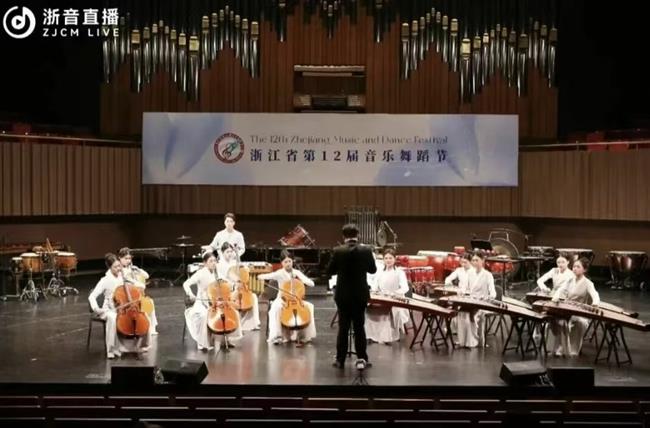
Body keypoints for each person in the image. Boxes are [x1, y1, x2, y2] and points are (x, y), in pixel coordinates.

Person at [327, 224, 377, 369]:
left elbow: (330, 271)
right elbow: (373, 270)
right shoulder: (366, 250)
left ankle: (340, 360)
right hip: (360, 295)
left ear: (343, 236)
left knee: (343, 328)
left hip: (343, 296)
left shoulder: (338, 251)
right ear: (358, 235)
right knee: (359, 327)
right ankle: (362, 358)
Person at [88, 253, 150, 359]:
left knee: (144, 317)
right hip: (109, 309)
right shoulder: (105, 280)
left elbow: (135, 283)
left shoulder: (123, 277)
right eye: (115, 267)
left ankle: (141, 346)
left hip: (123, 308)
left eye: (119, 266)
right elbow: (92, 296)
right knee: (112, 318)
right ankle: (111, 350)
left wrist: (141, 286)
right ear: (109, 267)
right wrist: (96, 308)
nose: (119, 269)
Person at [183, 252, 242, 351]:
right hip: (203, 303)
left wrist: (235, 284)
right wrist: (191, 294)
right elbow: (186, 284)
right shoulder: (200, 273)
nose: (214, 263)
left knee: (233, 313)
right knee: (204, 315)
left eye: (215, 261)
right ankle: (202, 342)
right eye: (211, 261)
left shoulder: (217, 273)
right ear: (205, 263)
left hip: (216, 303)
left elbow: (227, 283)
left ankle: (226, 339)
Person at [258, 250, 317, 346]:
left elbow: (311, 283)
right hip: (282, 299)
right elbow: (267, 276)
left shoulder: (296, 272)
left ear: (292, 261)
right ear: (282, 263)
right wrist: (260, 276)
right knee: (274, 309)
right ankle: (276, 336)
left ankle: (304, 336)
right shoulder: (279, 273)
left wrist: (304, 280)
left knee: (309, 306)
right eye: (285, 262)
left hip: (296, 300)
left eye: (290, 261)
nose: (288, 264)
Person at [551, 257, 600, 357]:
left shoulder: (588, 283)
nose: (575, 269)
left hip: (580, 312)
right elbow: (560, 290)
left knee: (579, 323)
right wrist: (556, 297)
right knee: (556, 320)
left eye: (578, 267)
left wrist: (595, 303)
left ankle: (572, 351)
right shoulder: (570, 280)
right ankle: (559, 349)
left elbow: (595, 294)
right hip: (567, 309)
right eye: (574, 266)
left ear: (584, 270)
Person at [365, 249, 410, 344]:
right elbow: (375, 287)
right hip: (383, 298)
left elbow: (405, 288)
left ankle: (387, 336)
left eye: (390, 258)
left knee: (387, 309)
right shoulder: (380, 273)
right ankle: (372, 334)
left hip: (395, 299)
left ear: (394, 259)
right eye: (386, 258)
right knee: (369, 308)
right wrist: (374, 292)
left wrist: (394, 293)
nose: (388, 260)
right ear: (383, 260)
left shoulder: (399, 272)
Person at [217, 242, 261, 331]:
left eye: (231, 251)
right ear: (222, 252)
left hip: (237, 287)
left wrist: (245, 268)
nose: (230, 254)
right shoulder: (220, 264)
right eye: (227, 252)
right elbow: (231, 276)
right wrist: (237, 281)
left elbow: (241, 272)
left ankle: (254, 323)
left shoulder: (233, 262)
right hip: (227, 290)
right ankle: (239, 324)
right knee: (244, 298)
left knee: (253, 296)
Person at [456, 252, 496, 348]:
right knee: (461, 312)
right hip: (472, 300)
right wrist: (461, 292)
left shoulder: (488, 275)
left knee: (473, 315)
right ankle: (463, 341)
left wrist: (489, 297)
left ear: (483, 261)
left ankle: (474, 341)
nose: (474, 262)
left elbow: (493, 293)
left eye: (476, 260)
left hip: (482, 303)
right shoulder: (470, 273)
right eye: (473, 260)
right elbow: (464, 287)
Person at [118, 247, 158, 335]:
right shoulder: (118, 269)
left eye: (129, 258)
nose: (128, 261)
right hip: (125, 296)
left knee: (150, 302)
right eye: (126, 258)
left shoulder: (131, 268)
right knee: (144, 302)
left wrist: (138, 270)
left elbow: (146, 276)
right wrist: (136, 282)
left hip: (136, 294)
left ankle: (152, 327)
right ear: (120, 258)